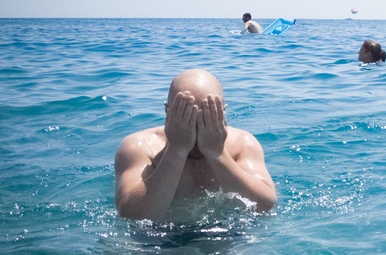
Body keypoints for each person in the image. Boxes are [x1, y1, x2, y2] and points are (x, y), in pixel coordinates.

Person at [115, 69, 276, 220]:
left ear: (222, 113)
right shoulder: (139, 147)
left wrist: (218, 154)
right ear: (168, 112)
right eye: (185, 115)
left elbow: (265, 206)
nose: (195, 127)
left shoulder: (243, 143)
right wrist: (176, 151)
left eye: (207, 116)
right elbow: (132, 215)